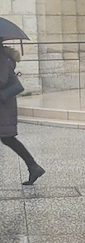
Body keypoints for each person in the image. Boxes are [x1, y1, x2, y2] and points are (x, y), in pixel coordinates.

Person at [0, 44, 45, 185]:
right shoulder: (4, 57)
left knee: (8, 138)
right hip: (4, 103)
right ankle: (33, 166)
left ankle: (33, 166)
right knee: (7, 138)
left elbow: (2, 80)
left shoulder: (1, 58)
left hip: (3, 104)